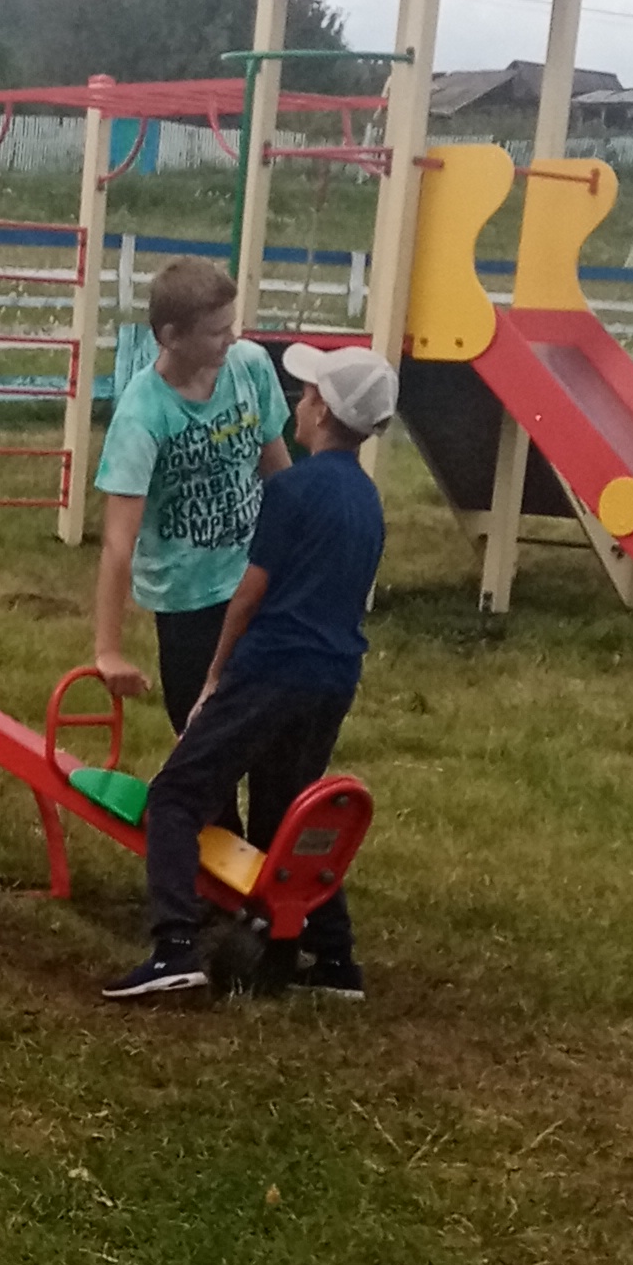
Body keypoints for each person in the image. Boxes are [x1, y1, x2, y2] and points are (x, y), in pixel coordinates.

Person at [102, 338, 395, 1006]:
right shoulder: (367, 499)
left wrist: (215, 675)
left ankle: (173, 948)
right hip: (334, 675)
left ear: (322, 411)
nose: (300, 402)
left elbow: (250, 594)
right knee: (287, 812)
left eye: (308, 394)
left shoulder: (290, 490)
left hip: (271, 668)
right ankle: (334, 960)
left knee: (176, 796)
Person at [88, 257, 291, 732]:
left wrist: (304, 551)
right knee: (200, 731)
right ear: (172, 336)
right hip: (187, 598)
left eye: (231, 326)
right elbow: (118, 541)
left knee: (269, 721)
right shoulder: (143, 413)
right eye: (217, 332)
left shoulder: (250, 367)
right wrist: (108, 650)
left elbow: (279, 472)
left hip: (256, 574)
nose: (231, 339)